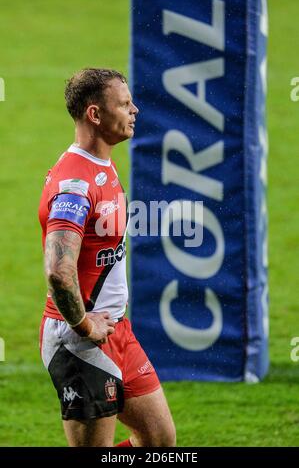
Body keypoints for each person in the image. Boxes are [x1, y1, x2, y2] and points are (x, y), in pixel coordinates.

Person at [38, 68, 176, 447]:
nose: (136, 110)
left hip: (115, 330)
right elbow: (58, 273)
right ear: (95, 115)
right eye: (125, 104)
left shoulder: (103, 165)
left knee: (159, 442)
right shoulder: (75, 187)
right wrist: (83, 325)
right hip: (79, 340)